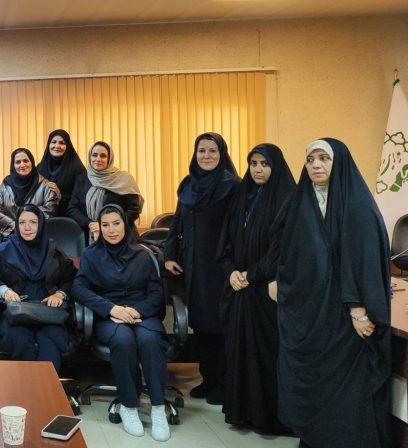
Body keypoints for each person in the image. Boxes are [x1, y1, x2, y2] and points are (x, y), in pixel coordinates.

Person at [276, 139, 392, 448]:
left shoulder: (357, 205)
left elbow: (362, 259)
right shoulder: (301, 202)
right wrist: (280, 279)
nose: (316, 165)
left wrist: (358, 307)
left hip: (345, 315)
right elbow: (287, 250)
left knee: (345, 388)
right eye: (310, 159)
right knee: (315, 383)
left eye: (323, 158)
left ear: (338, 162)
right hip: (311, 310)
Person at [73, 204, 171, 441]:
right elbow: (79, 288)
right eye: (105, 225)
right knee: (123, 340)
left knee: (149, 340)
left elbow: (156, 293)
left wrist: (137, 311)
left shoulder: (143, 254)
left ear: (125, 225)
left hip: (141, 314)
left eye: (116, 223)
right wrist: (111, 308)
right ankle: (129, 407)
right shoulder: (91, 255)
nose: (111, 230)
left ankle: (158, 408)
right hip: (110, 316)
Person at [215, 144, 295, 434]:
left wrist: (252, 275)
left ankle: (270, 418)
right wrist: (232, 272)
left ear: (276, 166)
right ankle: (244, 414)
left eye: (265, 163)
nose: (258, 169)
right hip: (240, 287)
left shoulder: (288, 198)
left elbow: (282, 250)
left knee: (265, 355)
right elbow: (224, 242)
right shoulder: (242, 195)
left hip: (265, 290)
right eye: (253, 163)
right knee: (240, 353)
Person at [163, 132, 240, 405]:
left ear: (222, 154)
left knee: (221, 325)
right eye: (202, 151)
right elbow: (177, 223)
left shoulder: (233, 186)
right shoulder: (188, 184)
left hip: (221, 266)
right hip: (193, 266)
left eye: (212, 151)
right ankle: (208, 379)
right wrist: (169, 254)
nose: (206, 156)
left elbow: (238, 230)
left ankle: (225, 383)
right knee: (202, 325)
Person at [0, 205, 77, 373]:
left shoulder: (53, 252)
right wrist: (4, 290)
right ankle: (29, 386)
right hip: (15, 312)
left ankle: (44, 386)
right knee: (18, 338)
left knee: (51, 338)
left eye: (33, 222)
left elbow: (71, 279)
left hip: (49, 312)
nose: (27, 227)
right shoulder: (6, 250)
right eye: (22, 222)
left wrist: (60, 294)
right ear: (17, 225)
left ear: (41, 224)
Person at [66, 141, 144, 243]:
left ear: (109, 158)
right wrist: (90, 224)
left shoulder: (124, 179)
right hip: (90, 236)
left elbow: (133, 210)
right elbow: (72, 208)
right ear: (90, 157)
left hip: (122, 237)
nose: (98, 159)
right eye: (94, 155)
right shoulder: (82, 179)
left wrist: (106, 225)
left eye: (103, 156)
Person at [0, 148, 59, 237]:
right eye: (18, 162)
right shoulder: (5, 186)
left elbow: (50, 210)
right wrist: (15, 226)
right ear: (13, 165)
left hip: (37, 236)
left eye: (25, 161)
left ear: (32, 162)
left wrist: (27, 225)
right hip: (11, 235)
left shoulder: (45, 185)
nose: (22, 165)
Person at [36, 129, 86, 217]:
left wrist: (60, 196)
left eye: (62, 143)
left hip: (68, 219)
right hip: (42, 218)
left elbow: (81, 200)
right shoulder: (40, 168)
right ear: (48, 145)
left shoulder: (78, 169)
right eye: (53, 142)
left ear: (68, 146)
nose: (57, 146)